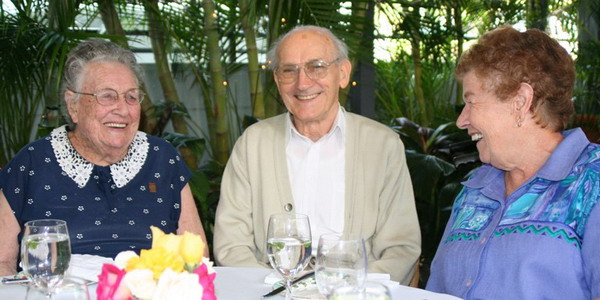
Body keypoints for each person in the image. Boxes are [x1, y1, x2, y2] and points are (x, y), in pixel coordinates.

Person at [213, 25, 421, 284]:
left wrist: (349, 290)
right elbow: (231, 245)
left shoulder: (383, 145)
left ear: (343, 74)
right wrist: (281, 289)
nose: (302, 83)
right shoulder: (252, 144)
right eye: (289, 70)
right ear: (278, 80)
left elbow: (401, 248)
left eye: (317, 67)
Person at [0, 38, 208, 276]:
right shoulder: (31, 163)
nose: (122, 109)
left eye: (131, 96)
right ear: (73, 106)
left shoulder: (164, 159)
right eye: (107, 96)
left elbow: (196, 259)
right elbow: (2, 263)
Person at [426, 26, 600, 299]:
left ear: (520, 101)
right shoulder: (474, 190)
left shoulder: (592, 184)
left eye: (471, 102)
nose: (461, 120)